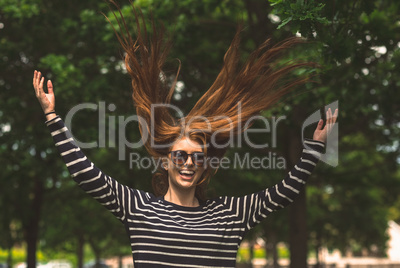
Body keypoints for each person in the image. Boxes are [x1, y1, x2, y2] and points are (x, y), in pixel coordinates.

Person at [33, 5, 338, 268]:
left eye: (197, 157)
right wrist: (52, 117)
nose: (188, 162)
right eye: (180, 155)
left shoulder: (229, 215)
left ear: (205, 165)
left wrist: (314, 148)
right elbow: (87, 175)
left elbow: (284, 193)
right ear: (166, 162)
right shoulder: (139, 208)